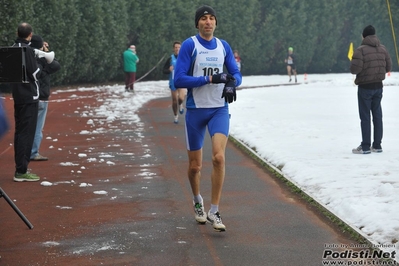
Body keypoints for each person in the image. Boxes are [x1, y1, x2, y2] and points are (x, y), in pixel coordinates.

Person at [174, 5, 242, 232]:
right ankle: (197, 201)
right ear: (198, 24)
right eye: (204, 19)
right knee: (195, 166)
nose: (208, 22)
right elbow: (180, 80)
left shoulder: (223, 46)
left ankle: (214, 210)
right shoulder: (189, 45)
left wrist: (232, 82)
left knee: (219, 158)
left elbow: (236, 73)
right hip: (195, 111)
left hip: (218, 110)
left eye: (212, 18)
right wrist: (210, 80)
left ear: (216, 23)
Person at [350, 25, 392, 154]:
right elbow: (388, 67)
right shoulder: (383, 49)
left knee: (365, 116)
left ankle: (366, 146)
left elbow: (354, 69)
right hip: (378, 87)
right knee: (377, 115)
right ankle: (377, 145)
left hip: (365, 87)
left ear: (364, 36)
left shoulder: (360, 50)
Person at [10, 23, 42, 182]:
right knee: (26, 134)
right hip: (29, 96)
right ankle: (21, 170)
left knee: (19, 132)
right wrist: (41, 63)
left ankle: (20, 168)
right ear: (30, 35)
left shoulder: (12, 48)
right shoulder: (27, 50)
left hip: (18, 95)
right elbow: (35, 73)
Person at [29, 35, 61, 161]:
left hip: (29, 96)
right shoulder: (42, 59)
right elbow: (55, 65)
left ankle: (25, 151)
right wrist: (45, 52)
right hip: (41, 96)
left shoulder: (28, 55)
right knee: (37, 128)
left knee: (27, 126)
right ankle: (33, 152)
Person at [162, 41, 187, 124]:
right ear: (173, 49)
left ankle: (181, 104)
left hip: (182, 80)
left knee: (181, 98)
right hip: (173, 81)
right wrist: (168, 70)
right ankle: (175, 116)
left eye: (179, 47)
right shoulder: (170, 59)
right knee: (174, 100)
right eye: (176, 47)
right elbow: (164, 70)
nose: (177, 49)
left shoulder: (185, 57)